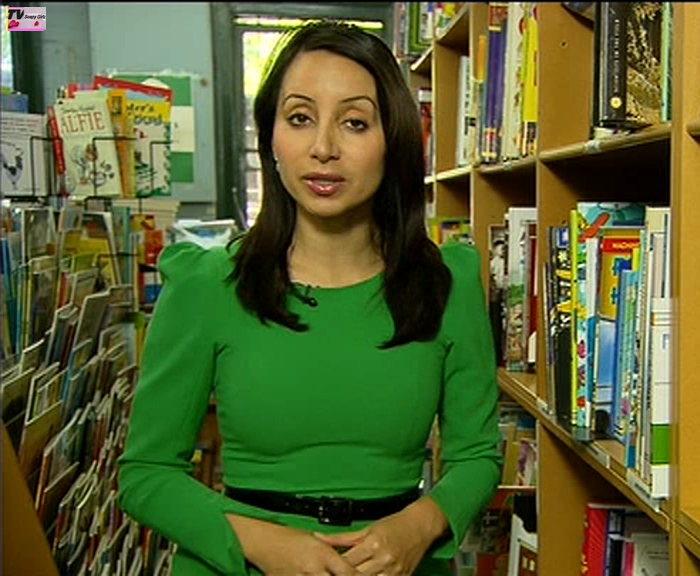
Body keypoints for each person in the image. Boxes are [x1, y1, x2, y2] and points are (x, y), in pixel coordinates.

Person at [117, 20, 501, 576]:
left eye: (354, 123)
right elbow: (146, 474)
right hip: (239, 563)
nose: (323, 148)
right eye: (299, 118)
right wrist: (267, 545)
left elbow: (477, 456)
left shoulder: (448, 283)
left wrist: (419, 526)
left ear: (392, 141)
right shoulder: (206, 285)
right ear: (271, 137)